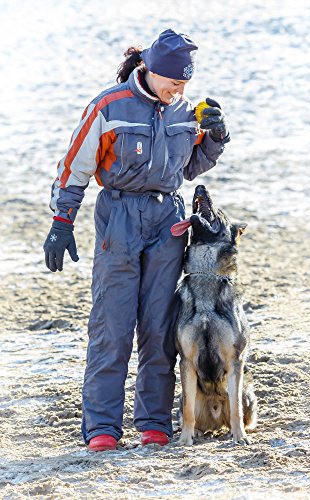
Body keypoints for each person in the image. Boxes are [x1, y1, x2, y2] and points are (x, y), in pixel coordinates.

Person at [43, 29, 230, 451]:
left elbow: (190, 167)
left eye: (184, 84)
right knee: (112, 327)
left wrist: (216, 138)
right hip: (120, 221)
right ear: (148, 70)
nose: (178, 90)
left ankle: (153, 425)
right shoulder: (109, 106)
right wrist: (61, 222)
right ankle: (103, 430)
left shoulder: (185, 111)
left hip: (169, 223)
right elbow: (74, 167)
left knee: (160, 328)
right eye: (172, 82)